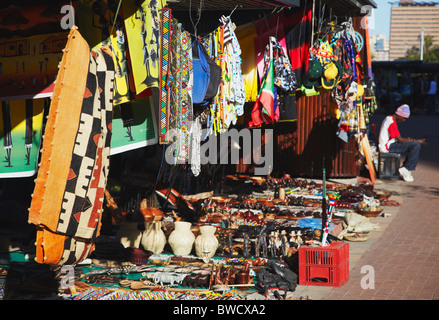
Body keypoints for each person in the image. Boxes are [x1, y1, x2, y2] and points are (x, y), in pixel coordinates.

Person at [378, 104, 426, 182]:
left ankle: (406, 168)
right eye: (404, 118)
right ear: (399, 115)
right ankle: (406, 168)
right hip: (387, 147)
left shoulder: (389, 119)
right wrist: (416, 141)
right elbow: (400, 140)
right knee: (415, 145)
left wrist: (409, 140)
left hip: (390, 144)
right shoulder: (391, 122)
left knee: (413, 144)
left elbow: (399, 138)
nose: (404, 120)